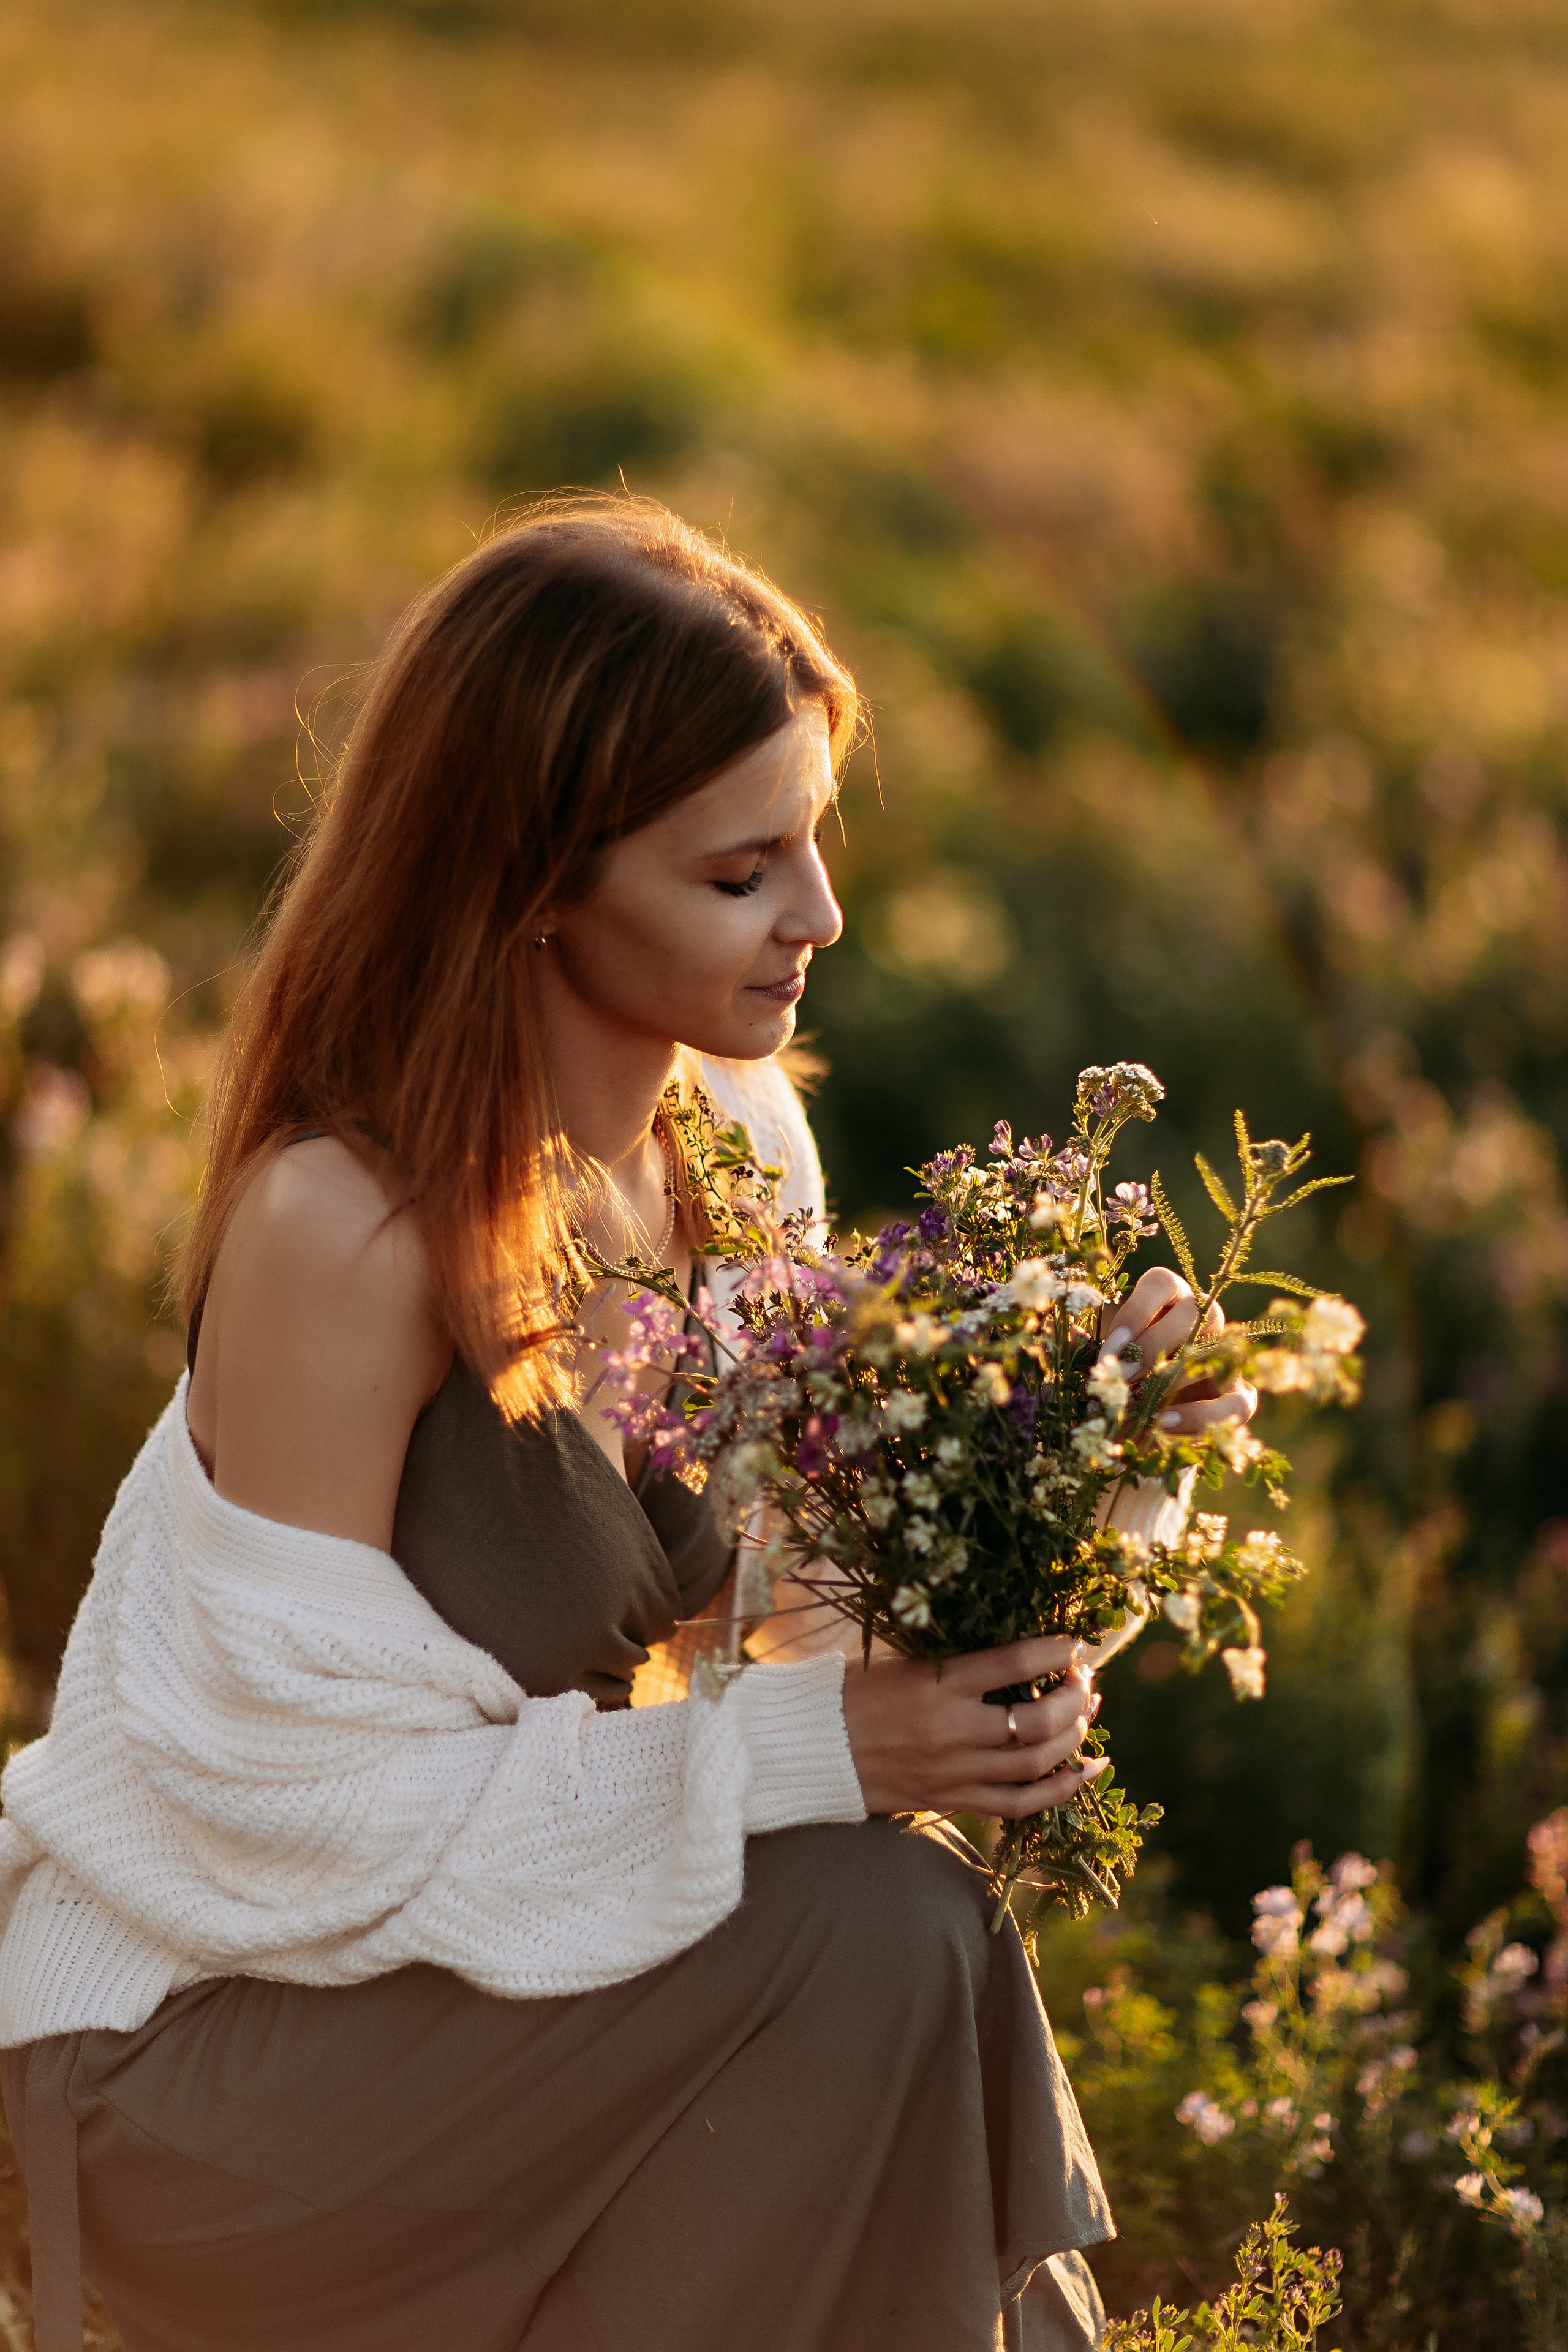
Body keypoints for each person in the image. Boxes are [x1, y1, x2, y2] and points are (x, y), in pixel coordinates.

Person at [0, 498, 1248, 2352]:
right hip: (202, 2054)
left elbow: (823, 1658)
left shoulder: (737, 1139)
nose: (821, 915)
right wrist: (821, 1752)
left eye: (815, 840)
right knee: (871, 1931)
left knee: (885, 1929)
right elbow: (287, 1821)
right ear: (532, 882)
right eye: (742, 871)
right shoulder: (338, 1234)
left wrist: (1101, 1466)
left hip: (525, 1998)